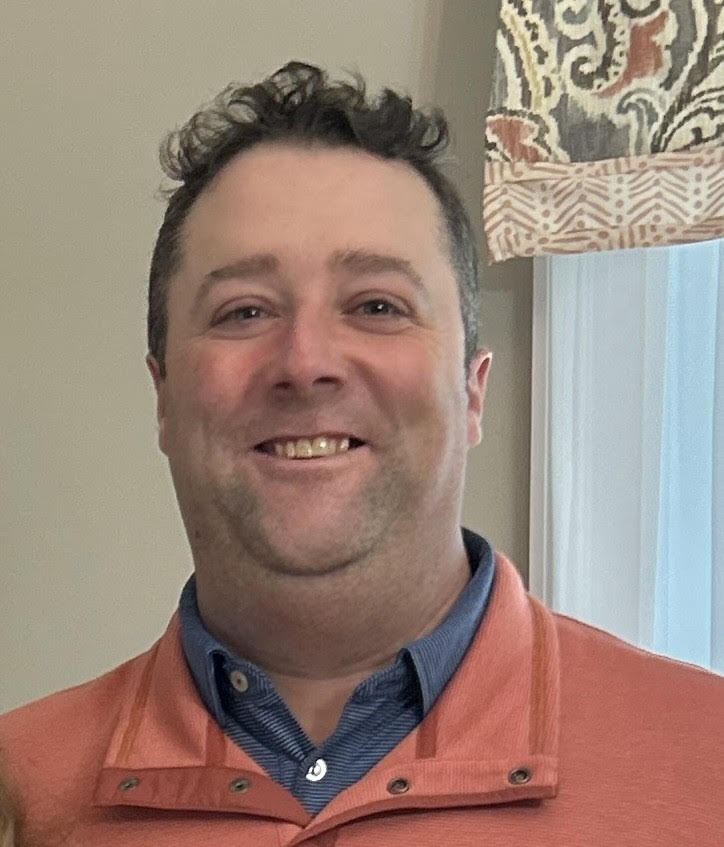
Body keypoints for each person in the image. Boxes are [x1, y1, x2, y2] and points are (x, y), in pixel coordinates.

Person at [1, 62, 722, 847]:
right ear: (165, 396)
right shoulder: (24, 787)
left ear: (472, 389)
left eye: (377, 305)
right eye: (244, 310)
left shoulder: (707, 761)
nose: (306, 360)